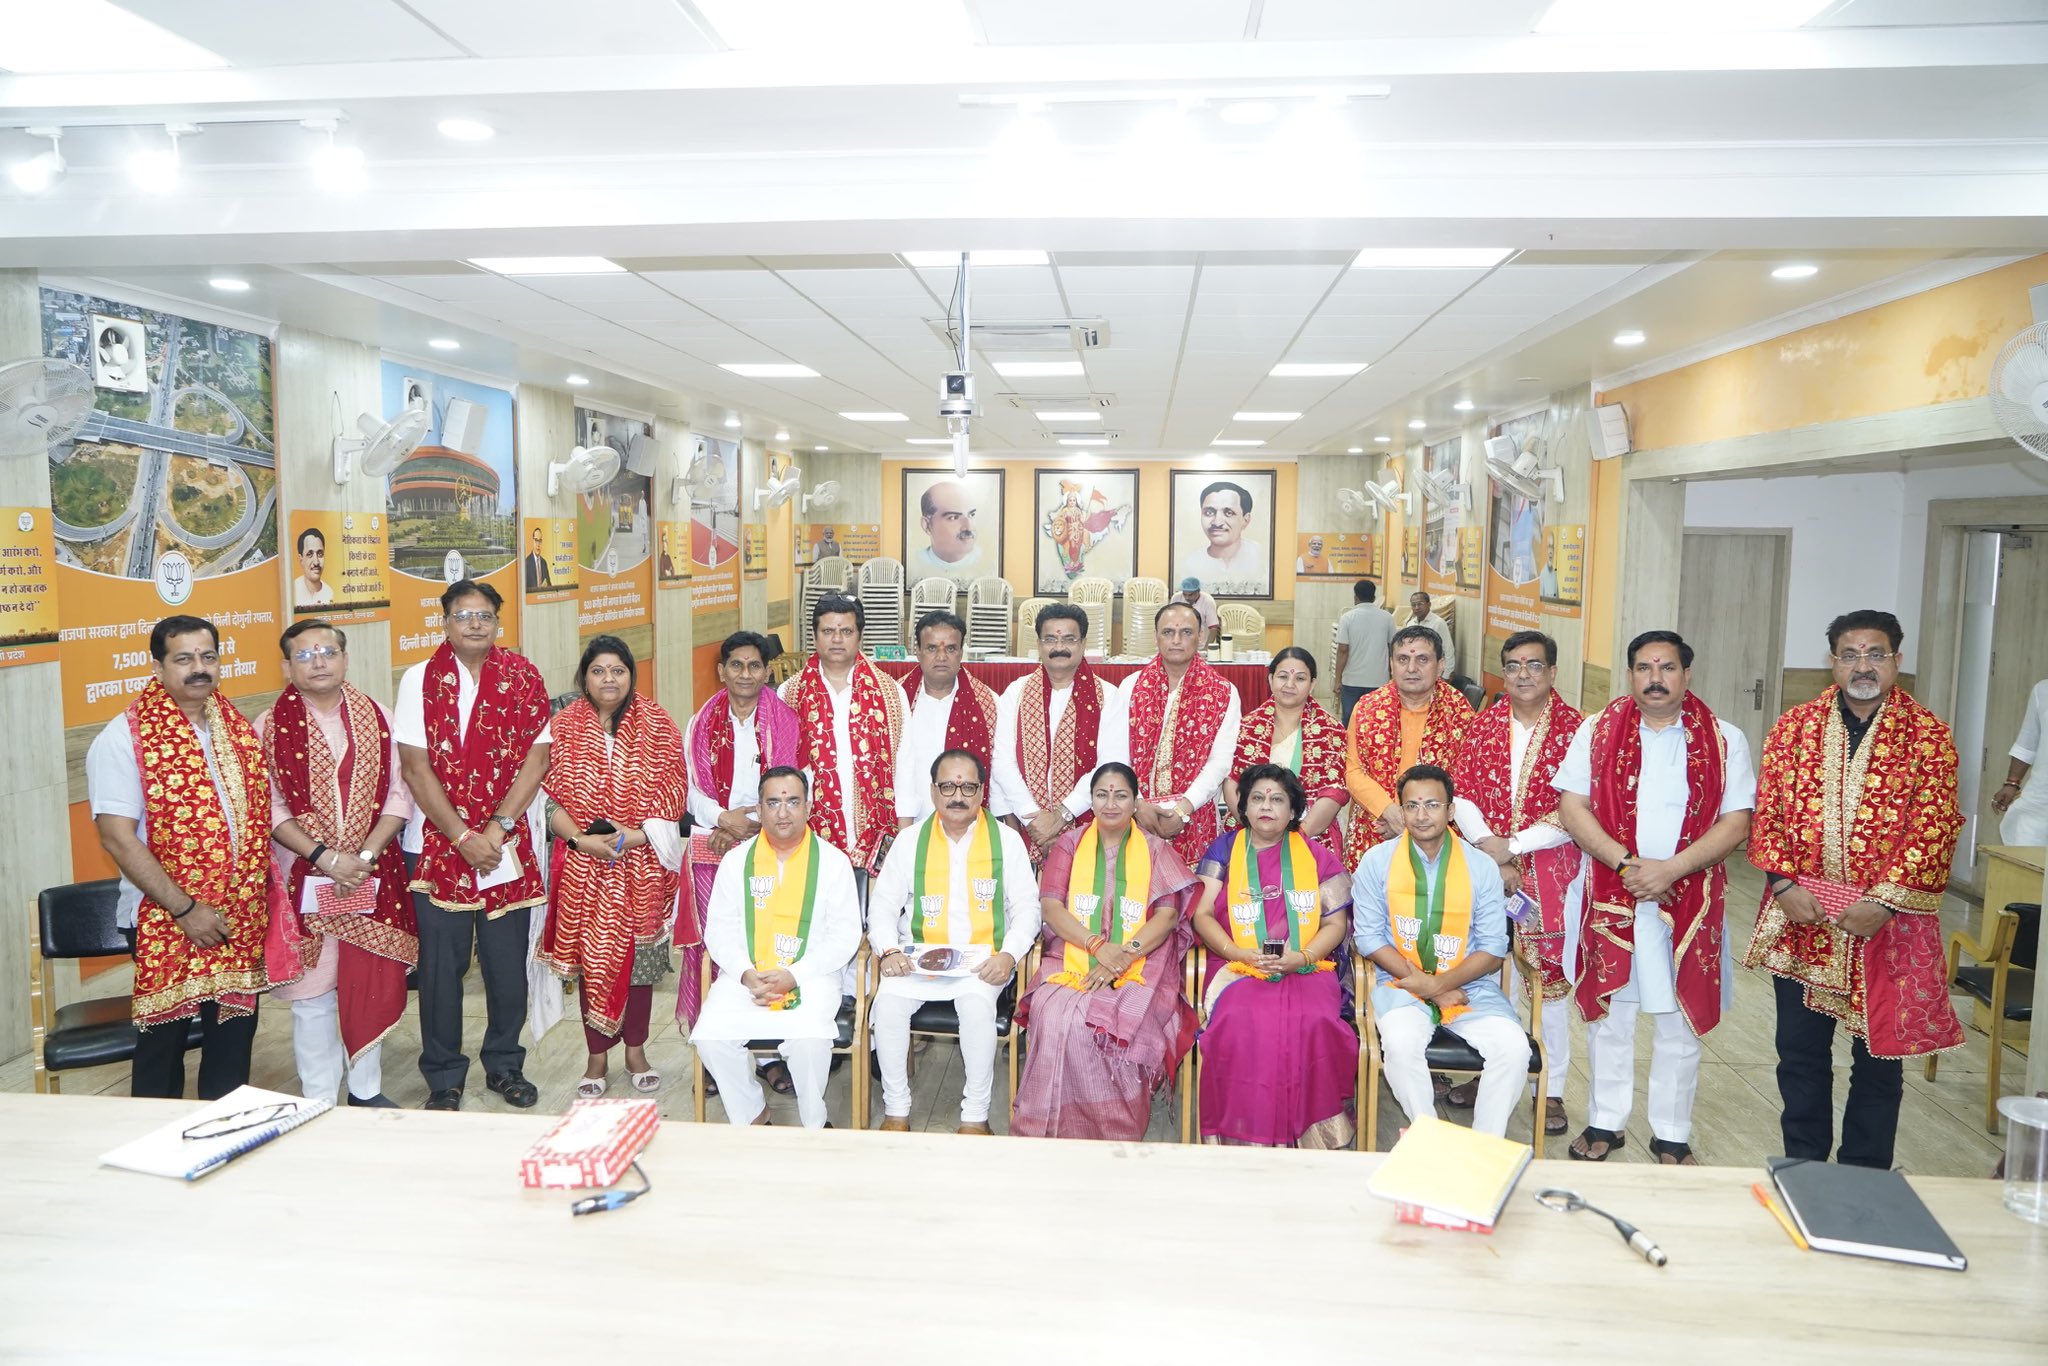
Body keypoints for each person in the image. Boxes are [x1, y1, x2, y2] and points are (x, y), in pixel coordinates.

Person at [1744, 611, 1965, 1169]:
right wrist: (1783, 885)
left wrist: (1883, 902)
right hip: (1805, 919)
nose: (1863, 666)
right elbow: (1768, 813)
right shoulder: (1793, 728)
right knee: (1800, 1054)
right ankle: (1803, 1166)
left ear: (1897, 660)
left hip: (1887, 923)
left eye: (1875, 654)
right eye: (1850, 655)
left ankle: (1865, 1175)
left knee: (1878, 1061)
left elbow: (1935, 827)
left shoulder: (1929, 736)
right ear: (1832, 662)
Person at [1556, 629, 1756, 1165]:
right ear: (1630, 675)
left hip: (1690, 898)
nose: (1655, 679)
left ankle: (1671, 1131)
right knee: (1611, 1017)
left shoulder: (1724, 738)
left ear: (1687, 675)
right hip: (1613, 890)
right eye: (1644, 668)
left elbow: (1736, 820)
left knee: (1678, 1018)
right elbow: (1572, 807)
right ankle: (1606, 1120)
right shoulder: (1596, 731)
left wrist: (1670, 870)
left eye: (1667, 668)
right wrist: (1625, 863)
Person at [88, 615, 270, 1100]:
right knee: (162, 1049)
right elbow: (117, 838)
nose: (198, 668)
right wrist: (185, 908)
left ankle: (226, 1127)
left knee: (232, 1041)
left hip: (237, 915)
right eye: (183, 659)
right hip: (166, 915)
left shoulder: (233, 728)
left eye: (208, 657)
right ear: (157, 667)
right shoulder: (124, 737)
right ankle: (155, 1136)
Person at [396, 579, 552, 1111]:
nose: (475, 624)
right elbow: (415, 768)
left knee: (506, 968)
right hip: (436, 847)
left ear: (498, 622)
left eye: (484, 615)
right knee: (441, 971)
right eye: (463, 615)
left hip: (503, 845)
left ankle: (505, 1065)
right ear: (444, 623)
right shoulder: (419, 679)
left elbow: (537, 759)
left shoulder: (524, 676)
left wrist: (497, 829)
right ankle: (444, 1076)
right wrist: (462, 836)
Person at [257, 620, 415, 1110]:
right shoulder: (267, 727)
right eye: (304, 655)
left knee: (369, 982)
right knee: (313, 994)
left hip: (370, 874)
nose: (318, 662)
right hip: (304, 876)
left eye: (327, 652)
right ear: (286, 666)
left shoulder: (381, 718)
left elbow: (401, 793)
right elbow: (268, 806)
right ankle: (319, 1100)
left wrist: (363, 857)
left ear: (345, 659)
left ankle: (366, 1091)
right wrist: (324, 857)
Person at [1011, 762, 1199, 1140]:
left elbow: (1166, 917)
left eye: (1121, 795)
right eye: (1102, 795)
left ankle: (1114, 1130)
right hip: (1073, 952)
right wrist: (1097, 946)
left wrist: (1124, 955)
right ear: (1091, 800)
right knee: (1055, 1013)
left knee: (1123, 1016)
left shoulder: (1156, 850)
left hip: (1143, 959)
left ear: (1135, 802)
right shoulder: (1069, 844)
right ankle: (1055, 1126)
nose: (1111, 804)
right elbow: (1052, 908)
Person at [541, 636, 687, 1099]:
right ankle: (597, 1056)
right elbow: (545, 799)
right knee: (594, 962)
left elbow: (674, 794)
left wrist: (635, 836)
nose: (609, 679)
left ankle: (636, 1051)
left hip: (642, 862)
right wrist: (582, 840)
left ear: (631, 675)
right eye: (599, 670)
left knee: (639, 964)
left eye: (618, 670)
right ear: (584, 676)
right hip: (584, 864)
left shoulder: (658, 724)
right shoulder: (562, 728)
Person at [1450, 630, 1584, 1136]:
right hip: (1484, 868)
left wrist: (1516, 846)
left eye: (1534, 665)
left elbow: (1579, 806)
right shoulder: (1483, 723)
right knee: (1482, 973)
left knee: (1549, 985)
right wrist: (1492, 849)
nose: (1522, 675)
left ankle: (1549, 1089)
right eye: (1513, 666)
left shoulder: (1578, 731)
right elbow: (1461, 793)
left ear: (1553, 671)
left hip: (1552, 871)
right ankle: (1485, 1071)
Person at [1354, 765, 1529, 1137]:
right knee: (1401, 1044)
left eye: (1432, 805)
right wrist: (1427, 988)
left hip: (1469, 986)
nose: (1421, 815)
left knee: (1514, 1050)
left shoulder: (1481, 867)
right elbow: (1368, 938)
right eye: (1412, 806)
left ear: (1451, 811)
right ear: (1402, 811)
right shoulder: (1377, 861)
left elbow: (1493, 947)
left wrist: (1439, 985)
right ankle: (1427, 1139)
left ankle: (1485, 1147)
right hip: (1399, 984)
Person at [871, 750, 1040, 1134]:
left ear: (982, 792)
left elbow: (1028, 909)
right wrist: (888, 949)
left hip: (982, 961)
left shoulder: (1007, 841)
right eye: (948, 787)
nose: (957, 796)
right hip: (917, 958)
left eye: (968, 787)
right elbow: (882, 905)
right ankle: (896, 1110)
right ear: (933, 791)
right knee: (888, 1004)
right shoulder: (910, 840)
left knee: (976, 1006)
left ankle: (974, 1117)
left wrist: (1009, 955)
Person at [1190, 765, 1357, 1147]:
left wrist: (1303, 956)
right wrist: (1238, 952)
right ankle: (1245, 1131)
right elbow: (1202, 914)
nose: (1266, 806)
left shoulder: (1317, 857)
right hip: (1235, 965)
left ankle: (1312, 1133)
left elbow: (1335, 924)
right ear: (1244, 808)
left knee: (1315, 1020)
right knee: (1241, 1018)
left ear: (1294, 810)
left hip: (1307, 966)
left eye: (1277, 799)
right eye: (1258, 798)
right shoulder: (1223, 850)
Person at [693, 767, 863, 1128]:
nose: (783, 812)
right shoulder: (736, 861)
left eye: (792, 802)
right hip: (746, 976)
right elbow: (719, 929)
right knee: (710, 1037)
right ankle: (754, 1116)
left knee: (808, 1041)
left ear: (808, 807)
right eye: (773, 803)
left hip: (812, 976)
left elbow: (845, 936)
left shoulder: (833, 862)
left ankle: (814, 1124)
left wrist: (794, 975)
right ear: (759, 809)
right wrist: (745, 973)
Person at [683, 631, 801, 1025]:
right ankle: (720, 1028)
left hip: (773, 844)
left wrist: (748, 826)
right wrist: (723, 819)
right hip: (714, 843)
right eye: (736, 665)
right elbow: (689, 790)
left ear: (767, 672)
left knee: (768, 940)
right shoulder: (700, 723)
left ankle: (770, 1036)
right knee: (720, 939)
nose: (745, 674)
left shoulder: (787, 722)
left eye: (754, 666)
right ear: (722, 671)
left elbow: (797, 788)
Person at [779, 595, 906, 876]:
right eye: (828, 631)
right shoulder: (789, 694)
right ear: (814, 636)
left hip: (879, 838)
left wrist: (903, 840)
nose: (837, 639)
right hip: (809, 837)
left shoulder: (891, 694)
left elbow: (906, 771)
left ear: (860, 636)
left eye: (846, 631)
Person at [992, 602, 1127, 866]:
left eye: (1069, 639)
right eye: (1050, 639)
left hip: (1091, 828)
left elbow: (1111, 766)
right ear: (1039, 644)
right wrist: (1034, 819)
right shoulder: (1016, 693)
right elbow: (1002, 762)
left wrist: (1061, 817)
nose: (1059, 647)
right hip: (1027, 827)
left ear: (1083, 643)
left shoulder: (1108, 697)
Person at [1120, 601, 1241, 868]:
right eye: (1168, 632)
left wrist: (1183, 809)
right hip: (1136, 815)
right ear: (1156, 637)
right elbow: (1118, 755)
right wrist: (1138, 804)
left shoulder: (1223, 692)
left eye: (1186, 632)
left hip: (1195, 817)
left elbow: (1220, 762)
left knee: (1194, 892)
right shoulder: (1131, 687)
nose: (1176, 640)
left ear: (1201, 636)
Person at [1343, 624, 1474, 869]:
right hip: (1377, 827)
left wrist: (1416, 819)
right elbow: (1353, 770)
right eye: (1403, 659)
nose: (1411, 668)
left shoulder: (1459, 712)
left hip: (1438, 835)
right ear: (1391, 664)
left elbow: (1466, 779)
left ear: (1441, 665)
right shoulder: (1367, 708)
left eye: (1422, 659)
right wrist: (1389, 812)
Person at [1221, 647, 1347, 855]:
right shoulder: (1247, 727)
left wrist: (1297, 835)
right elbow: (1231, 781)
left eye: (1300, 678)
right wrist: (1254, 828)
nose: (1290, 685)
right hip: (1249, 833)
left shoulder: (1330, 731)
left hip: (1310, 836)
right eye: (1282, 676)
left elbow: (1334, 792)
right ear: (1270, 679)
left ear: (1312, 684)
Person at [895, 609, 1001, 823]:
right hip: (905, 826)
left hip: (968, 829)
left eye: (951, 649)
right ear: (917, 651)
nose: (941, 657)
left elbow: (999, 772)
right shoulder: (895, 700)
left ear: (961, 652)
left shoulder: (989, 704)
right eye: (932, 648)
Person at [1176, 480, 1267, 593]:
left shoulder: (1261, 556)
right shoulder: (1190, 564)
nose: (1217, 522)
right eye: (1209, 513)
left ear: (1245, 520)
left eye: (1229, 513)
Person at [1991, 677, 2048, 845]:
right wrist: (2012, 783)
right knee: (2024, 850)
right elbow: (2028, 743)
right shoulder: (2042, 690)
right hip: (2040, 802)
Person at [1333, 578, 1395, 724]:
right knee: (1376, 722)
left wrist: (1337, 679)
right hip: (1379, 680)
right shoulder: (1387, 617)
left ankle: (1350, 740)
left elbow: (1343, 651)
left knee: (1351, 720)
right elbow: (1393, 648)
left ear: (1356, 598)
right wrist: (1391, 674)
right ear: (1374, 598)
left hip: (1352, 681)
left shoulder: (1347, 617)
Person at [913, 479, 987, 578]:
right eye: (953, 517)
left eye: (971, 515)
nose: (969, 527)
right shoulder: (916, 561)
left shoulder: (984, 559)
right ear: (927, 525)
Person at [1401, 590, 1457, 679]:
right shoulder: (1410, 623)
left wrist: (1446, 675)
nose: (1416, 607)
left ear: (1429, 604)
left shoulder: (1438, 623)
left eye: (1420, 604)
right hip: (1415, 672)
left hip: (1433, 672)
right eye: (1413, 605)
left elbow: (1448, 650)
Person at [294, 525, 335, 606]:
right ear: (301, 558)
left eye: (320, 554)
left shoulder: (329, 593)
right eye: (309, 554)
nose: (316, 562)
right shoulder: (292, 591)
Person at [1175, 577, 1221, 646]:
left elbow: (1213, 628)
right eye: (1184, 594)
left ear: (1198, 591)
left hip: (1201, 644)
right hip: (1180, 643)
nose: (1187, 598)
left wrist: (1206, 647)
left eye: (1190, 595)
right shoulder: (1176, 598)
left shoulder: (1208, 602)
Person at [523, 525, 551, 591]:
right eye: (536, 540)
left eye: (540, 541)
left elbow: (549, 585)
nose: (538, 544)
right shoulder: (526, 563)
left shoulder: (544, 563)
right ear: (532, 541)